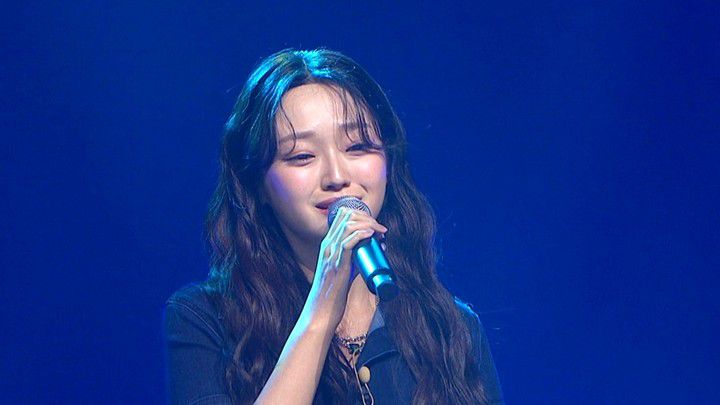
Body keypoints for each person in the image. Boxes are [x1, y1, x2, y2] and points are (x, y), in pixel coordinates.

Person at [164, 48, 504, 404]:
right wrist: (322, 311)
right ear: (258, 183)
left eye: (357, 147)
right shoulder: (204, 320)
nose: (337, 176)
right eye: (302, 156)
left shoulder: (449, 327)